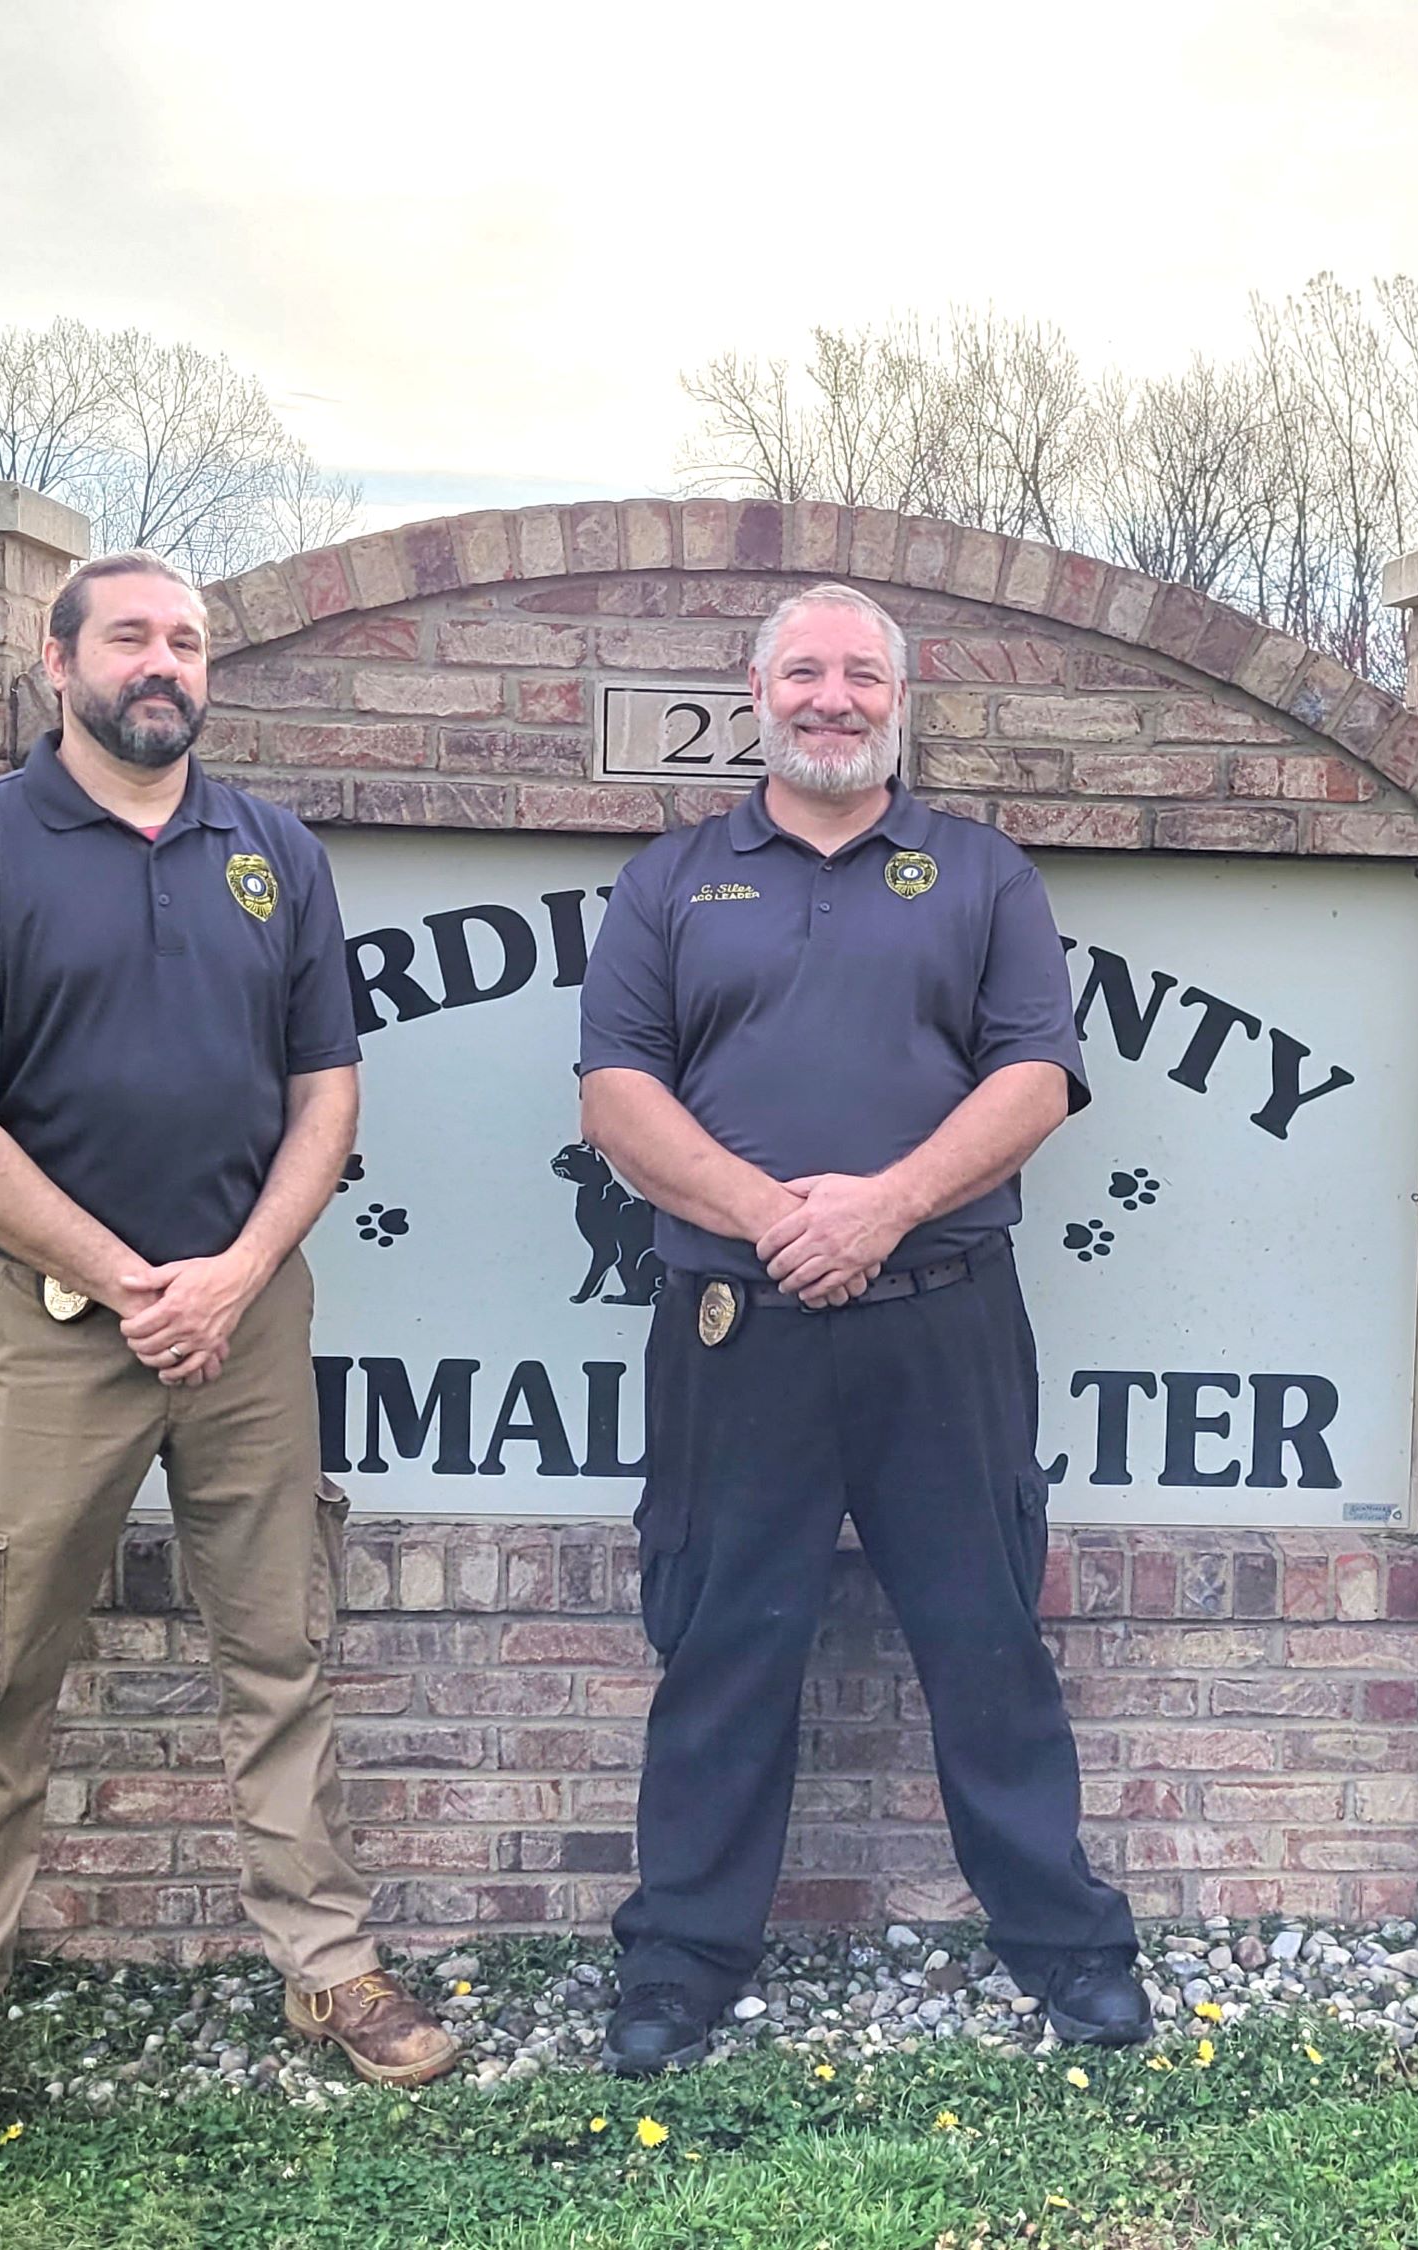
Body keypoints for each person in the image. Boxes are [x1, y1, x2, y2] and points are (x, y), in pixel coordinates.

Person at [0, 550, 451, 2179]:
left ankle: (331, 1972)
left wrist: (236, 1275)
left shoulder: (273, 852)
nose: (163, 662)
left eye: (186, 639)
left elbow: (325, 1094)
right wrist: (127, 1280)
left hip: (248, 1322)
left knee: (281, 1651)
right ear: (62, 663)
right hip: (58, 1332)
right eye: (131, 635)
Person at [576, 582, 1146, 2073]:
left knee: (986, 1637)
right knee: (720, 1642)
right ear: (758, 691)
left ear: (905, 696)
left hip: (941, 1319)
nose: (833, 698)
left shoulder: (980, 875)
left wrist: (883, 1206)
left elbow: (1035, 1079)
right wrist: (782, 1218)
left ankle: (1069, 1949)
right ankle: (681, 1960)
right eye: (806, 671)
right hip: (729, 1322)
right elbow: (616, 1096)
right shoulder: (675, 880)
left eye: (862, 676)